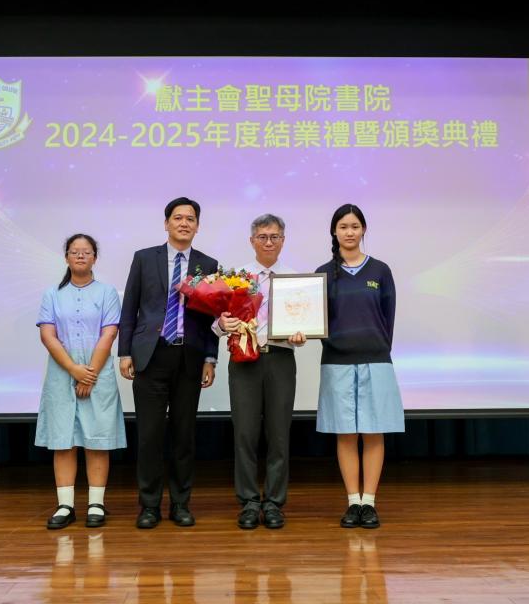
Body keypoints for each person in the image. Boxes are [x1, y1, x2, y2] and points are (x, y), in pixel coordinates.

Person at [118, 197, 219, 528]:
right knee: (149, 436)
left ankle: (180, 503)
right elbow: (130, 307)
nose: (184, 223)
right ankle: (149, 506)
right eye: (178, 218)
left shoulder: (207, 264)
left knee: (183, 435)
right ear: (166, 223)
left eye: (190, 219)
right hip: (151, 355)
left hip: (189, 357)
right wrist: (125, 352)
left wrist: (210, 357)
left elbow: (213, 316)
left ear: (197, 226)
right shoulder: (144, 258)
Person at [214, 214, 307, 529]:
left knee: (279, 434)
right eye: (263, 237)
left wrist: (302, 334)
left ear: (283, 240)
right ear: (252, 241)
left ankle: (274, 503)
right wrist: (222, 324)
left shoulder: (295, 280)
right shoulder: (236, 278)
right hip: (244, 360)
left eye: (275, 237)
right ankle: (249, 502)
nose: (269, 242)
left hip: (281, 358)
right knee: (245, 433)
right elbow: (216, 324)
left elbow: (304, 321)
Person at [315, 204, 404, 529]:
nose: (349, 232)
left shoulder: (380, 270)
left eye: (354, 226)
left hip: (375, 361)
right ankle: (353, 501)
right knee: (346, 434)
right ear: (334, 231)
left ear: (363, 229)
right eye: (343, 226)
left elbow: (388, 318)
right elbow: (314, 319)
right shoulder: (323, 273)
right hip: (336, 362)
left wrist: (375, 346)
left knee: (374, 432)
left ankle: (370, 503)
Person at [36, 233, 126, 529]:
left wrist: (90, 373)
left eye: (86, 252)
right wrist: (74, 369)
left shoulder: (107, 292)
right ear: (66, 257)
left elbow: (109, 334)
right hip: (61, 374)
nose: (80, 256)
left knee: (97, 439)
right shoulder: (52, 294)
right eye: (74, 251)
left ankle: (96, 504)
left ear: (94, 258)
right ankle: (65, 506)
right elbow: (48, 335)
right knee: (63, 440)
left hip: (98, 375)